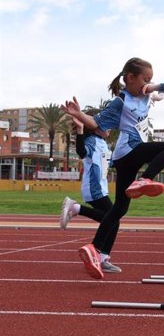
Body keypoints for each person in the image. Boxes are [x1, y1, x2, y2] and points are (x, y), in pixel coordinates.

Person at [61, 52, 164, 279]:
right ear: (130, 78)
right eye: (144, 80)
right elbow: (96, 123)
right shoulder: (120, 102)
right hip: (130, 151)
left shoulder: (146, 92)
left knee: (119, 208)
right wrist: (78, 114)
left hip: (125, 157)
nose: (147, 84)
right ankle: (145, 178)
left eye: (150, 80)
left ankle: (95, 249)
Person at [59, 115, 122, 273]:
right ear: (95, 127)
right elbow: (81, 152)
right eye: (106, 125)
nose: (109, 128)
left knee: (110, 219)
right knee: (113, 219)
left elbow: (111, 163)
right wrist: (80, 130)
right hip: (94, 188)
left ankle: (76, 209)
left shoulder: (103, 144)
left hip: (101, 187)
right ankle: (103, 258)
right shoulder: (91, 141)